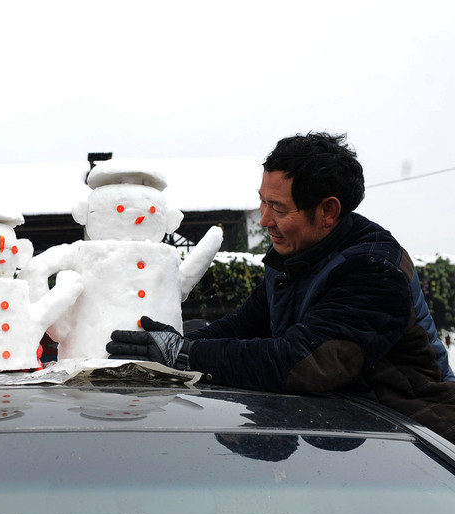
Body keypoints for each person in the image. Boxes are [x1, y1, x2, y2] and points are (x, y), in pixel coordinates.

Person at [107, 132, 455, 443]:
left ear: (328, 211)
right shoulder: (294, 255)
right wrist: (174, 345)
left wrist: (183, 354)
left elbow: (299, 363)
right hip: (348, 432)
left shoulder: (374, 269)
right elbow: (245, 325)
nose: (264, 219)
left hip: (417, 438)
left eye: (278, 207)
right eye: (263, 201)